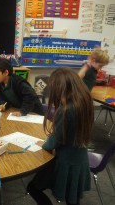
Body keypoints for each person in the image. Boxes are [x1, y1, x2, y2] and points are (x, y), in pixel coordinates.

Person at [27, 67, 94, 205]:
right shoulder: (85, 102)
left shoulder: (66, 110)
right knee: (72, 197)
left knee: (33, 188)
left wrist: (45, 145)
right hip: (79, 160)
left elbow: (54, 140)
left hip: (64, 162)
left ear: (60, 89)